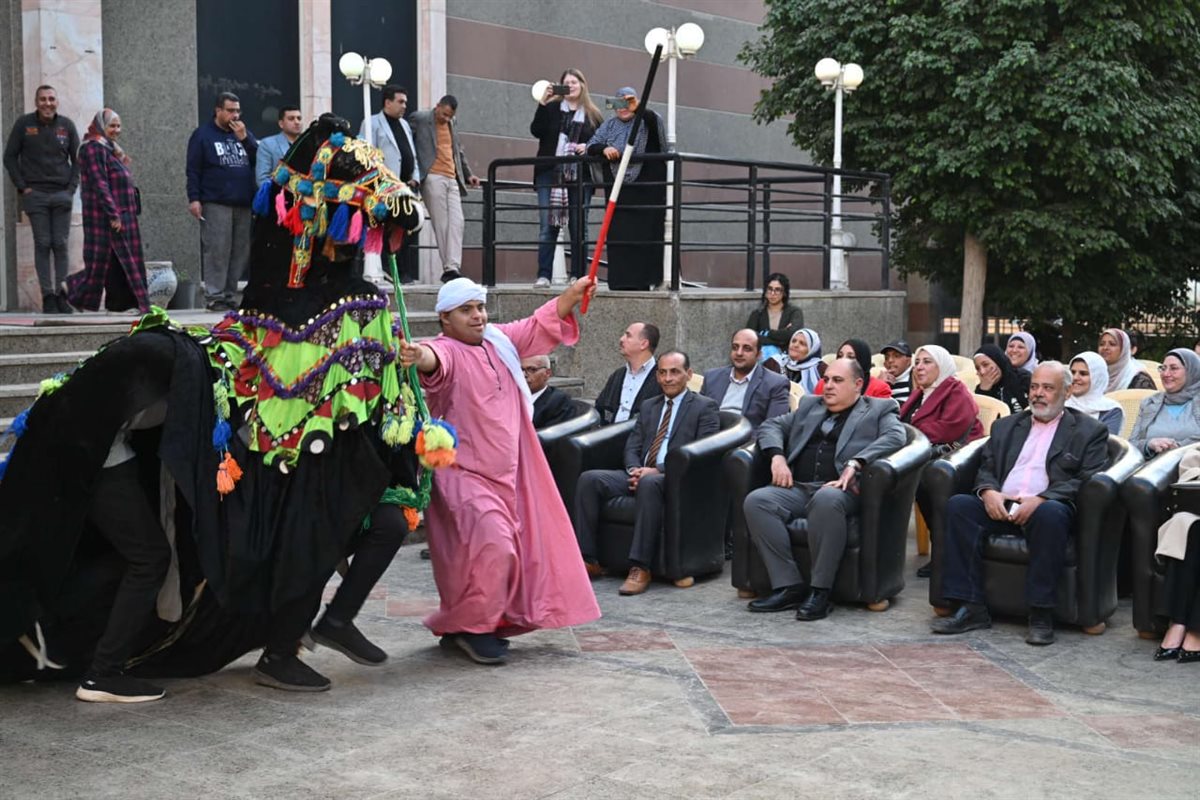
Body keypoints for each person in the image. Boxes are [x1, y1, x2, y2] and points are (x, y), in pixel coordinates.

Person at [397, 276, 601, 664]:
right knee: (495, 547)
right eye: (466, 310)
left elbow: (538, 324)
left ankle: (467, 626)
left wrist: (572, 295)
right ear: (445, 319)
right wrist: (416, 353)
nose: (478, 316)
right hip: (462, 475)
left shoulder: (499, 340)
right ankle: (473, 628)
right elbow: (432, 359)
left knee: (496, 553)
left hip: (511, 471)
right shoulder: (447, 349)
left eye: (480, 307)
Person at [932, 362, 1109, 646]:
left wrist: (1042, 499)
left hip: (1046, 509)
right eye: (1034, 387)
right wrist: (988, 491)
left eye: (1048, 388)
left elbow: (1087, 478)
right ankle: (971, 606)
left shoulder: (1089, 431)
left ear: (1066, 392)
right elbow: (987, 466)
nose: (1038, 394)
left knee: (1051, 514)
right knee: (959, 507)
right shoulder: (1006, 426)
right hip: (1003, 504)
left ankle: (1041, 612)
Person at [742, 358, 906, 620]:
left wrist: (857, 462)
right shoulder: (810, 405)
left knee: (826, 499)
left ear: (858, 384)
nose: (828, 386)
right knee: (757, 501)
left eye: (837, 380)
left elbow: (896, 436)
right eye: (826, 379)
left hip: (841, 490)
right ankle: (788, 586)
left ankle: (820, 592)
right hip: (799, 487)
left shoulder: (879, 409)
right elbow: (772, 426)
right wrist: (777, 456)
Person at [574, 350, 720, 594]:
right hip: (640, 473)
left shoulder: (705, 407)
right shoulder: (649, 405)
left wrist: (657, 470)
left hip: (676, 478)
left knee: (649, 484)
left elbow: (703, 450)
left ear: (689, 374)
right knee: (589, 480)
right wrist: (634, 470)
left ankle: (640, 566)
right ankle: (587, 559)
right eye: (662, 373)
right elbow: (633, 445)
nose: (667, 378)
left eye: (674, 372)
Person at [3, 84, 79, 314]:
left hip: (62, 195)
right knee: (43, 243)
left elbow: (78, 160)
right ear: (36, 102)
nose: (48, 103)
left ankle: (62, 296)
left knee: (61, 244)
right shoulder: (24, 125)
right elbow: (9, 157)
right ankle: (48, 297)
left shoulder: (66, 126)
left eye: (51, 99)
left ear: (57, 102)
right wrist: (23, 187)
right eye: (43, 99)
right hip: (35, 195)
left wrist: (71, 189)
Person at [64, 109, 150, 313]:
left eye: (118, 126)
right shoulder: (93, 148)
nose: (116, 130)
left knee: (114, 261)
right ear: (101, 126)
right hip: (107, 216)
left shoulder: (109, 148)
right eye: (112, 126)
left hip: (123, 214)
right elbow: (100, 183)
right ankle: (78, 289)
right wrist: (113, 214)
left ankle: (119, 303)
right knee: (110, 261)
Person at [587, 86, 667, 290]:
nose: (623, 107)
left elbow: (656, 128)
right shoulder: (609, 125)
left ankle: (646, 282)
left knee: (645, 238)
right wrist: (605, 148)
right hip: (619, 194)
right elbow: (591, 145)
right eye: (619, 103)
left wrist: (638, 108)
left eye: (627, 102)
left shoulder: (647, 120)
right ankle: (620, 282)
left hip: (645, 194)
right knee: (619, 238)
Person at [186, 92, 258, 310]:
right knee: (217, 250)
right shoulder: (203, 135)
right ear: (218, 110)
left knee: (239, 252)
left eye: (238, 111)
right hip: (216, 201)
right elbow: (193, 169)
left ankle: (229, 295)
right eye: (230, 110)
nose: (235, 115)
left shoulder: (243, 134)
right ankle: (214, 296)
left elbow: (258, 160)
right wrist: (194, 198)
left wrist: (245, 139)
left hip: (243, 202)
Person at [530, 68, 602, 287]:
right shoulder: (551, 108)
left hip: (580, 176)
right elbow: (536, 130)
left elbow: (601, 143)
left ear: (583, 85)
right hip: (549, 173)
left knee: (579, 226)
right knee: (548, 225)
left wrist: (588, 147)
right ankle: (544, 275)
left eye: (574, 82)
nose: (570, 85)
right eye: (566, 82)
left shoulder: (593, 114)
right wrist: (543, 103)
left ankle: (578, 275)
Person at [410, 95, 480, 283]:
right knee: (441, 223)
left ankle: (453, 266)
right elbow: (408, 145)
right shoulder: (420, 119)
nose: (446, 118)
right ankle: (450, 268)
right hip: (432, 175)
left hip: (452, 177)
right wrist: (413, 173)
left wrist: (468, 174)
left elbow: (457, 150)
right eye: (444, 114)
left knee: (458, 221)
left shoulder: (451, 123)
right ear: (438, 106)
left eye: (450, 116)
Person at [361, 86, 421, 284]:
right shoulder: (371, 123)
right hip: (386, 187)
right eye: (400, 101)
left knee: (410, 225)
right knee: (388, 227)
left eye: (405, 102)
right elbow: (366, 155)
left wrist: (415, 177)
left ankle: (403, 271)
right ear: (387, 102)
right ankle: (388, 269)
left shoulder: (404, 124)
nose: (404, 106)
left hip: (407, 187)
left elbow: (411, 153)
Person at [700, 329, 790, 430]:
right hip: (708, 436)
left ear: (758, 354)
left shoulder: (775, 384)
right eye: (735, 347)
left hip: (746, 438)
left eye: (747, 349)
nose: (739, 353)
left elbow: (773, 429)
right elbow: (696, 415)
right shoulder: (712, 377)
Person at [899, 345, 983, 451]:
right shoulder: (921, 392)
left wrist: (905, 432)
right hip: (916, 447)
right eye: (916, 362)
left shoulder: (957, 392)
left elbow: (947, 431)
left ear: (942, 366)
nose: (919, 367)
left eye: (927, 362)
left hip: (953, 452)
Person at [1128, 349, 1200, 458]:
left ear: (1191, 372)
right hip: (1152, 465)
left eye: (1174, 368)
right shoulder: (1149, 403)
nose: (1166, 374)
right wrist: (1149, 445)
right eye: (1163, 368)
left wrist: (1177, 448)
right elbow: (1132, 444)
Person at [594, 321, 663, 425]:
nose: (621, 339)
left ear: (644, 344)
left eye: (628, 336)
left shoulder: (663, 378)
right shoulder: (617, 375)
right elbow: (600, 408)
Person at [746, 273, 804, 360]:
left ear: (784, 292)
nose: (772, 293)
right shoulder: (758, 313)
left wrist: (767, 333)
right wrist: (781, 339)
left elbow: (792, 334)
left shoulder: (794, 312)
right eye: (770, 289)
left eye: (777, 290)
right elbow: (749, 337)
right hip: (763, 357)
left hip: (788, 357)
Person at [1065, 352, 1124, 435]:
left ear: (1097, 378)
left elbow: (1106, 440)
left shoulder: (1110, 409)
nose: (1075, 378)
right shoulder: (1060, 403)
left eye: (1083, 374)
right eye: (1072, 372)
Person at [812, 339, 893, 399]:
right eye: (840, 356)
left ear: (862, 360)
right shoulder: (823, 384)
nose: (843, 360)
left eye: (850, 357)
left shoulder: (879, 388)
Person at [523, 354, 576, 429]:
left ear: (547, 373)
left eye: (532, 370)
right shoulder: (513, 397)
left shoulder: (558, 401)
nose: (524, 375)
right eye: (521, 370)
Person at [255, 105, 303, 186]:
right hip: (279, 192)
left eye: (299, 118)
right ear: (281, 124)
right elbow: (262, 179)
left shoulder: (308, 144)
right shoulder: (267, 144)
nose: (297, 122)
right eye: (291, 119)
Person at [973, 344, 1030, 413]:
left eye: (985, 365)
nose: (982, 372)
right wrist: (984, 391)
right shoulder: (980, 389)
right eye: (978, 368)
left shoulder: (1024, 379)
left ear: (998, 361)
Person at [771, 328, 824, 393]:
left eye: (802, 343)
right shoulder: (774, 362)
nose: (795, 345)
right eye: (793, 341)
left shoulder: (820, 369)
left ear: (812, 350)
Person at [880, 339, 913, 404]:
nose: (890, 360)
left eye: (896, 356)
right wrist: (879, 385)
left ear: (908, 361)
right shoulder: (881, 380)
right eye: (886, 357)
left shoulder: (916, 379)